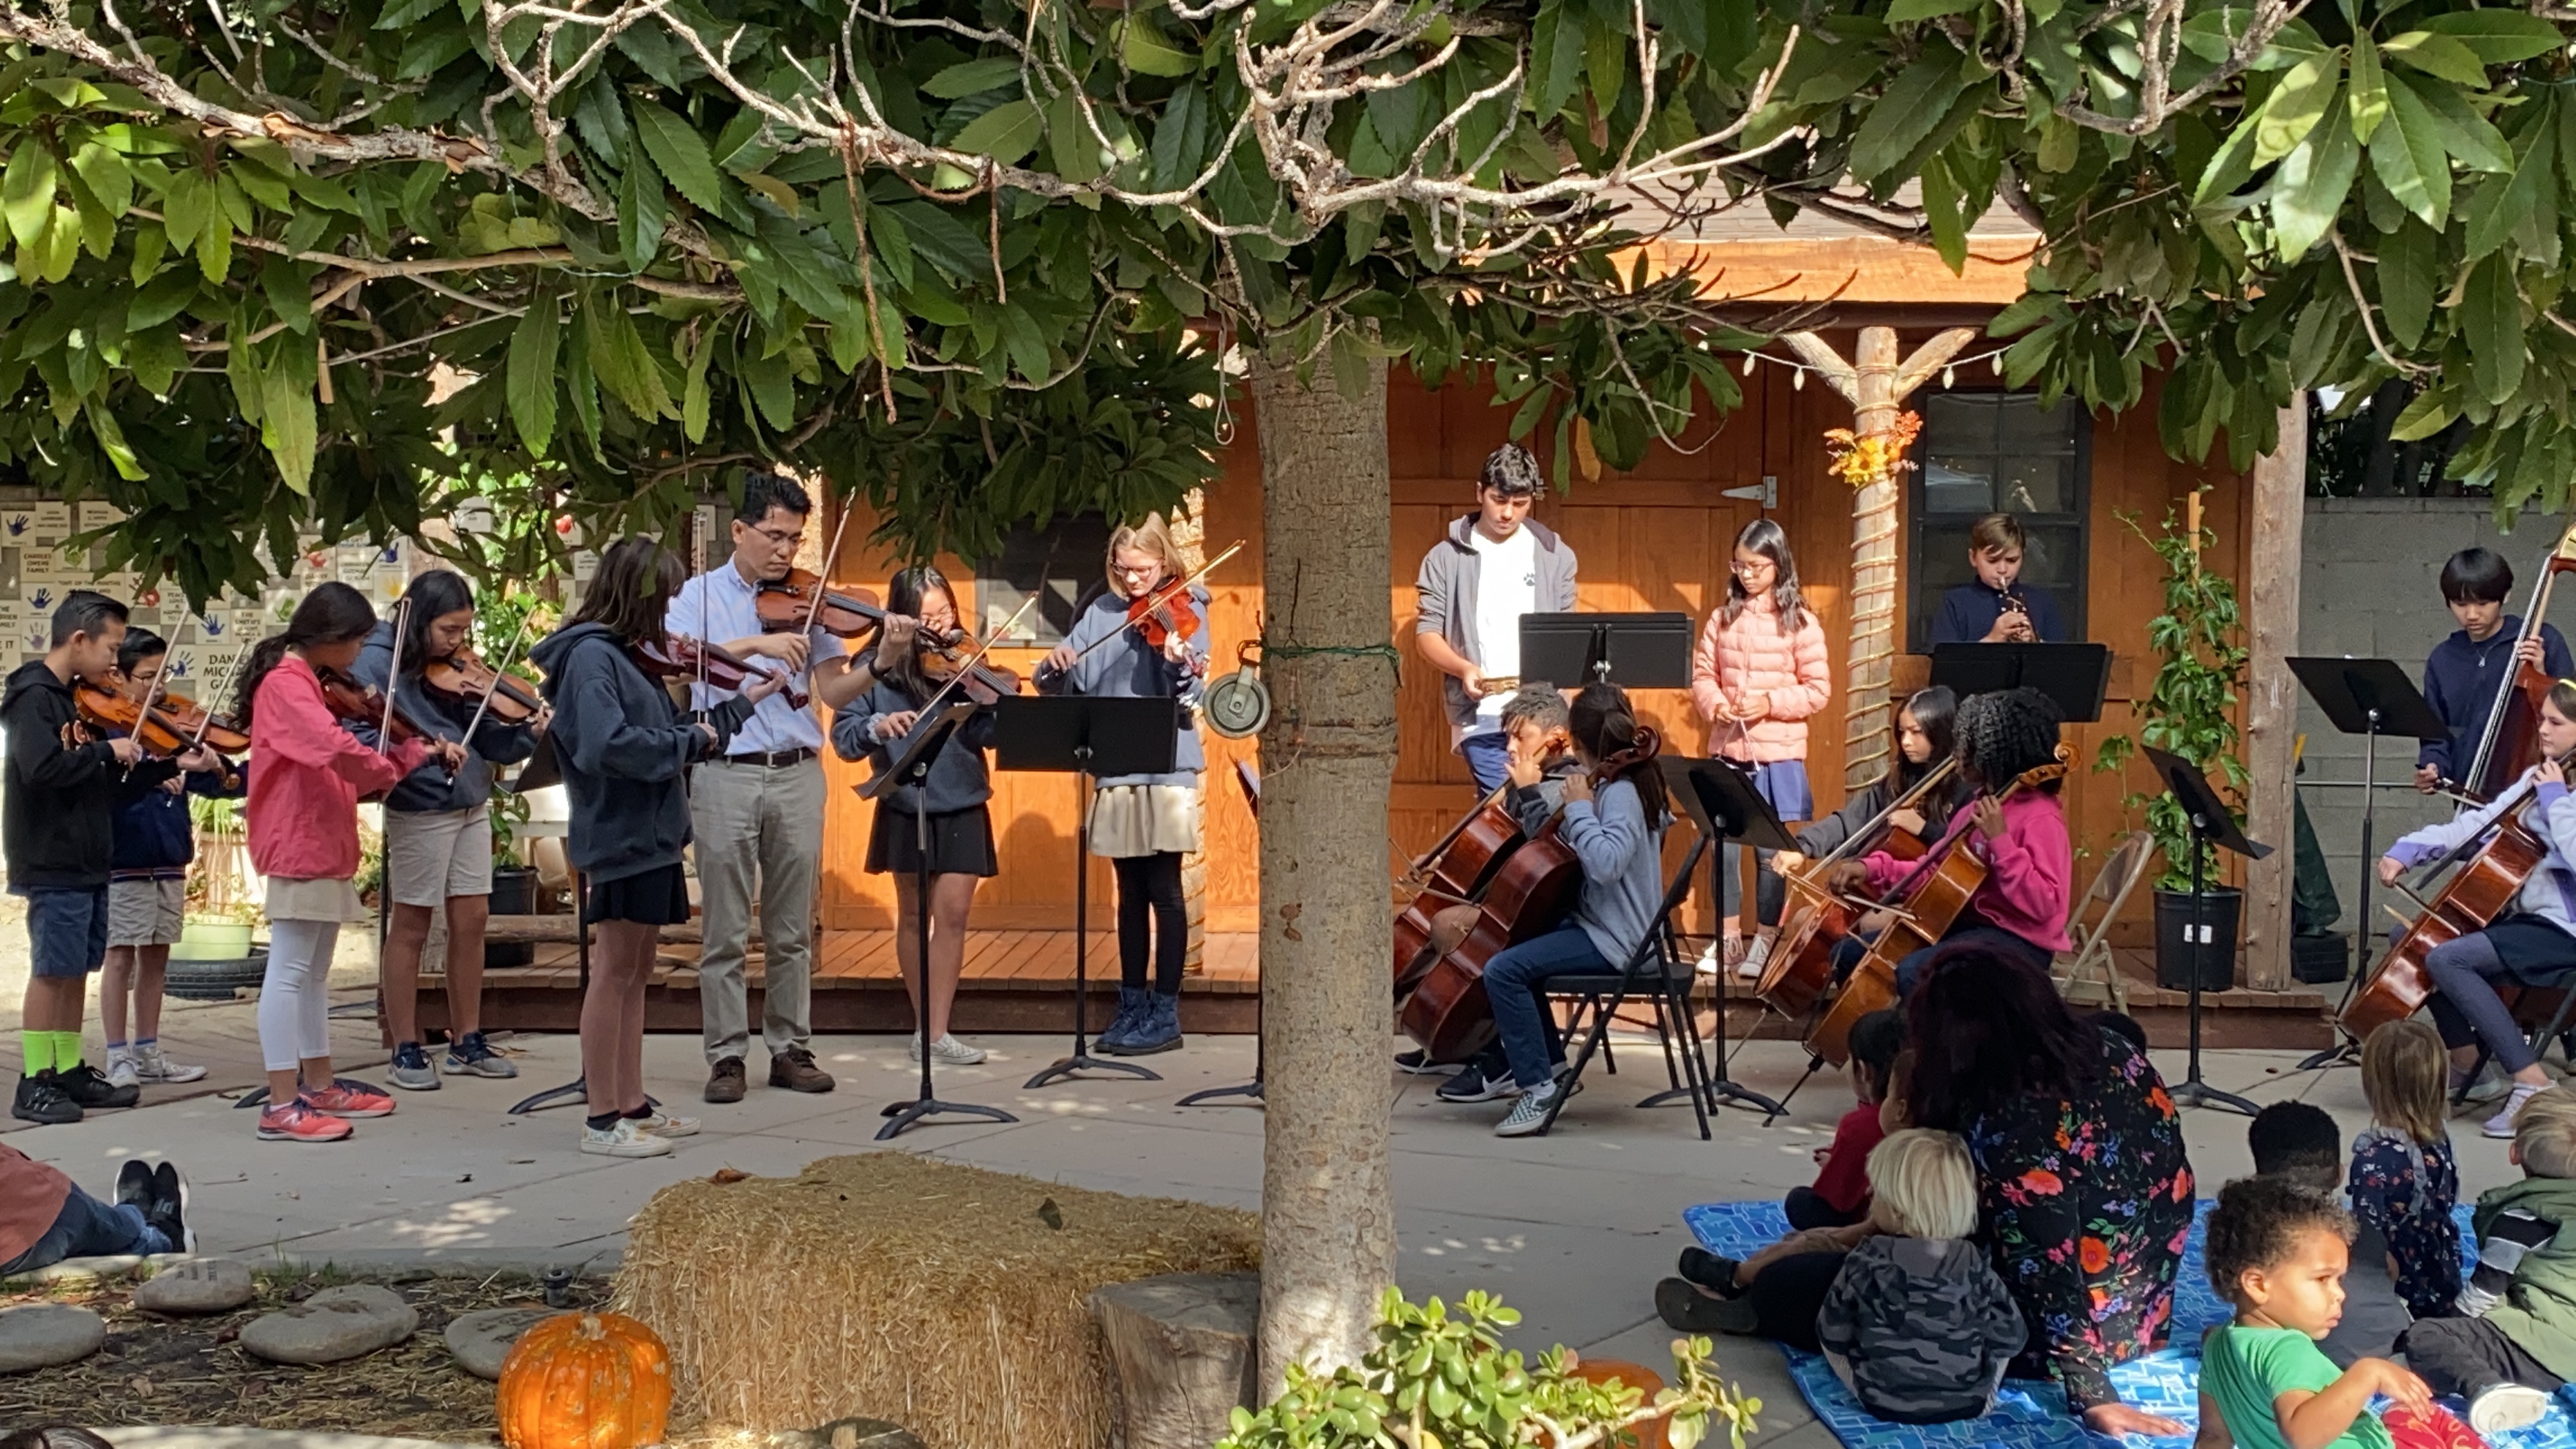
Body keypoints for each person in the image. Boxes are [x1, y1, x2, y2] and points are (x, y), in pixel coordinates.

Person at [1677, 946, 2196, 1437]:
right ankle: (1751, 1278)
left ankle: (1753, 1290)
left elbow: (2047, 1262)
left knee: (1795, 1286)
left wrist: (2091, 1392)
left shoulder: (2013, 1115)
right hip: (2142, 1312)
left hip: (2057, 1332)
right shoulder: (2117, 1050)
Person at [534, 537, 767, 1158]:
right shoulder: (591, 657)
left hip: (653, 831)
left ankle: (632, 1101)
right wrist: (691, 742)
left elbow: (669, 732)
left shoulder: (627, 657)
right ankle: (601, 1119)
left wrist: (735, 712)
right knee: (613, 972)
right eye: (662, 600)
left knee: (637, 973)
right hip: (620, 832)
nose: (668, 615)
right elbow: (608, 745)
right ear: (635, 596)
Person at [237, 582, 459, 1143]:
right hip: (298, 839)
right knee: (290, 972)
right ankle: (281, 1102)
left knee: (312, 974)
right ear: (331, 637)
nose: (361, 654)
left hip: (320, 838)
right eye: (357, 641)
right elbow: (335, 749)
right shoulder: (286, 685)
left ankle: (318, 1083)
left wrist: (400, 757)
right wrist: (398, 762)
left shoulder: (306, 682)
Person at [666, 472, 859, 1105]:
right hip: (725, 768)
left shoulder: (809, 598)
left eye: (795, 539)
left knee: (790, 927)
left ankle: (790, 1047)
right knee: (723, 928)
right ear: (739, 530)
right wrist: (757, 642)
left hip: (797, 769)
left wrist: (882, 661)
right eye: (774, 535)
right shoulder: (697, 594)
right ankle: (726, 1054)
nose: (786, 550)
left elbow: (835, 689)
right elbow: (676, 664)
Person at [351, 569, 544, 1091]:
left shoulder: (458, 668)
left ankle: (467, 1039)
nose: (458, 645)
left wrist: (529, 733)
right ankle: (405, 1045)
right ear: (417, 620)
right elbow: (364, 737)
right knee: (412, 922)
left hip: (470, 800)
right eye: (448, 630)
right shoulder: (377, 662)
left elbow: (488, 739)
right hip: (421, 805)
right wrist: (423, 755)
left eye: (464, 630)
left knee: (472, 917)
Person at [6, 591, 187, 1125]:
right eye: (110, 648)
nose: (114, 662)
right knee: (51, 971)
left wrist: (166, 766)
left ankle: (67, 1068)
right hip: (53, 855)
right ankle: (34, 1079)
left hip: (89, 856)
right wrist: (107, 749)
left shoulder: (75, 701)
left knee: (76, 970)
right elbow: (40, 768)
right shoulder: (34, 697)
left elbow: (102, 785)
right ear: (79, 639)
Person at [1035, 516, 1212, 1057]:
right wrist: (1056, 666)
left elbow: (1194, 690)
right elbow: (1062, 680)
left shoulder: (1188, 606)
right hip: (1116, 762)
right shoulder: (1102, 612)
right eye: (1123, 568)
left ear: (1164, 563)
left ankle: (1165, 1011)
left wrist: (1177, 663)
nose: (1133, 580)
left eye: (1143, 570)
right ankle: (1131, 1002)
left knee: (1165, 888)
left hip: (1165, 763)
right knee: (1129, 892)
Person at [2375, 678, 2576, 1139]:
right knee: (2414, 941)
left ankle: (2532, 1083)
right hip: (2526, 920)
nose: (2542, 729)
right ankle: (2471, 1066)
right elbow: (2478, 825)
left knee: (2450, 958)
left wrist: (2556, 800)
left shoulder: (2553, 789)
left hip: (2564, 930)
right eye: (2542, 719)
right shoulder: (2538, 777)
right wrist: (2410, 848)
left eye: (2555, 722)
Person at [1475, 681, 1667, 1138]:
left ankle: (1539, 1089)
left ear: (1577, 742)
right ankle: (1555, 1072)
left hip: (1620, 941)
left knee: (1504, 971)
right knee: (1516, 952)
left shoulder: (1620, 792)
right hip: (1606, 926)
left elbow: (1606, 865)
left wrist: (1579, 808)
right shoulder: (1624, 783)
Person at [831, 566, 997, 1068]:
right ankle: (926, 1028)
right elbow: (845, 739)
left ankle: (939, 1030)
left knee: (954, 914)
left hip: (963, 796)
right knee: (913, 914)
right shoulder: (874, 666)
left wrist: (993, 704)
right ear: (902, 617)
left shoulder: (965, 660)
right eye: (928, 617)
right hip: (906, 800)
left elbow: (990, 735)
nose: (941, 625)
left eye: (946, 612)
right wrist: (878, 727)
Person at [1822, 686, 2072, 997]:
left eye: (1969, 746)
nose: (1958, 755)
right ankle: (1880, 1027)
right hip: (1966, 928)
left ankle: (1931, 1029)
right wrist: (1870, 869)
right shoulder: (1973, 810)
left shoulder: (2040, 817)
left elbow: (2046, 905)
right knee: (1847, 954)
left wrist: (2001, 842)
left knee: (1917, 974)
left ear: (1997, 753)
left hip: (2019, 941)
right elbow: (1933, 873)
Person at [1660, 1008, 1905, 1314]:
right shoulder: (1926, 1141)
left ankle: (1737, 1284)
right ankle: (1740, 1280)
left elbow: (1863, 1224)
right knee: (1798, 1242)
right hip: (1875, 1242)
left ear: (1865, 1072)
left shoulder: (1883, 1136)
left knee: (1797, 1248)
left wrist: (1819, 1234)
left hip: (1875, 1263)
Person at [2194, 1176, 2466, 1449]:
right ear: (2257, 1285)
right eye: (2323, 1279)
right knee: (2434, 1420)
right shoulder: (2288, 1348)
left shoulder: (2217, 1344)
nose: (2340, 1294)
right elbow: (2303, 1435)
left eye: (2339, 1280)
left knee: (2403, 1414)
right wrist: (2368, 1373)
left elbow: (2213, 1436)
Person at [1422, 685, 1585, 1098]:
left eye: (1521, 736)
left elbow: (1546, 855)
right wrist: (1451, 861)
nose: (1511, 747)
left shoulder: (1566, 787)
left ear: (1556, 738)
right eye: (1507, 736)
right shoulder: (1526, 779)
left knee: (1452, 928)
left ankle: (1499, 1054)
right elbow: (1503, 850)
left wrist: (1527, 792)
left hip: (1554, 914)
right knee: (1443, 919)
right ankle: (1474, 1045)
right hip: (1519, 904)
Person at [1689, 519, 1829, 979]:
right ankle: (1729, 940)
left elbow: (1817, 691)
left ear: (1778, 565)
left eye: (1756, 566)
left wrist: (1768, 703)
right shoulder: (1722, 618)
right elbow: (1703, 676)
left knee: (1772, 856)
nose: (1747, 575)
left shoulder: (1801, 622)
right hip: (1729, 753)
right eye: (1740, 566)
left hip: (1778, 757)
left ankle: (1765, 941)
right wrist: (1716, 706)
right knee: (1723, 850)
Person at [102, 626, 239, 1090]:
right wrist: (155, 771)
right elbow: (110, 786)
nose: (160, 687)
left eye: (163, 675)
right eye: (148, 677)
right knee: (120, 956)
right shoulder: (107, 727)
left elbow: (211, 782)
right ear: (118, 677)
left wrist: (220, 768)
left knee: (157, 956)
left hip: (168, 854)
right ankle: (116, 1054)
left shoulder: (168, 725)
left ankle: (148, 1050)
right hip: (125, 855)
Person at [1815, 1129, 2029, 1426]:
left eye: (1876, 1189)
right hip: (1970, 1403)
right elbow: (2012, 1336)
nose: (1868, 1194)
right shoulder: (1975, 1263)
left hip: (1880, 1401)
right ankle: (1976, 1388)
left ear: (1897, 1210)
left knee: (1830, 1339)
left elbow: (1831, 1330)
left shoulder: (1867, 1259)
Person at [1756, 686, 1965, 978]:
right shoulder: (1898, 780)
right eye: (1902, 732)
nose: (1906, 741)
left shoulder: (1964, 787)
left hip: (1930, 898)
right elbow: (1850, 821)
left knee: (1872, 924)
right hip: (1883, 888)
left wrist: (1924, 829)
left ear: (1940, 731)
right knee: (1806, 919)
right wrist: (1802, 847)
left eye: (1917, 732)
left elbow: (1962, 853)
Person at [2405, 1087, 2576, 1435]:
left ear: (2514, 1153)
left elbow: (2481, 1296)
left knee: (2425, 1335)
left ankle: (2488, 1388)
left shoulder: (2521, 1220)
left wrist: (2450, 1327)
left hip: (2546, 1356)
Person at [1412, 443, 1579, 794]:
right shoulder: (1446, 557)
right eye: (1498, 500)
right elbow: (1427, 633)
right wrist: (1462, 668)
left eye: (1520, 503)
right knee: (1508, 809)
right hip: (1482, 716)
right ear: (1480, 493)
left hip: (1542, 718)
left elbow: (1566, 633)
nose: (1507, 513)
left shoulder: (1555, 554)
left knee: (1550, 810)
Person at [2246, 1101, 2414, 1368]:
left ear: (2258, 1177)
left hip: (2326, 1368)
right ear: (2339, 1174)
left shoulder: (2258, 1236)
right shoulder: (2360, 1227)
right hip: (2402, 1350)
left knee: (2220, 1338)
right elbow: (2391, 1271)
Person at [2416, 546, 2575, 795]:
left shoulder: (2541, 639)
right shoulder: (2442, 659)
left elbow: (2570, 715)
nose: (2472, 614)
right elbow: (2436, 734)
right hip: (2470, 792)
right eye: (2460, 604)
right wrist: (2434, 766)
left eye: (2483, 603)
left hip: (2536, 791)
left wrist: (2540, 674)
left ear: (2506, 596)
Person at [2350, 1020, 2464, 1324]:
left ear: (2373, 1083)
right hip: (2440, 1270)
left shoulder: (2374, 1158)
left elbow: (2368, 1235)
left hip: (2395, 1282)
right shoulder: (2440, 1140)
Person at [0, 1145, 191, 1276]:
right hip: (35, 1214)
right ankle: (158, 1232)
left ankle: (138, 1217)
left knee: (85, 1242)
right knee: (111, 1225)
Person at [1927, 513, 2065, 646]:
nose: (2002, 569)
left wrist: (2034, 643)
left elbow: (2060, 658)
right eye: (1992, 561)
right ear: (1973, 558)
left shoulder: (2042, 601)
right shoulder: (1955, 603)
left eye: (2012, 560)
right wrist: (1992, 640)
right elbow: (1945, 659)